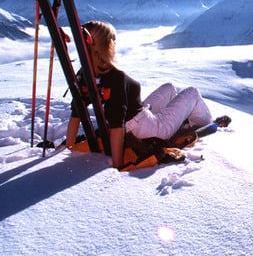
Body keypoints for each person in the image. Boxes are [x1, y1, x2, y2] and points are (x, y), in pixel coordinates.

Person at [64, 20, 224, 169]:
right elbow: (117, 126)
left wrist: (68, 147)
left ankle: (182, 118)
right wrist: (118, 166)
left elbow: (77, 112)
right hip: (149, 130)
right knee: (193, 92)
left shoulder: (85, 74)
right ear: (107, 45)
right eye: (113, 40)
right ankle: (205, 123)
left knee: (169, 88)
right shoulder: (116, 77)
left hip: (138, 118)